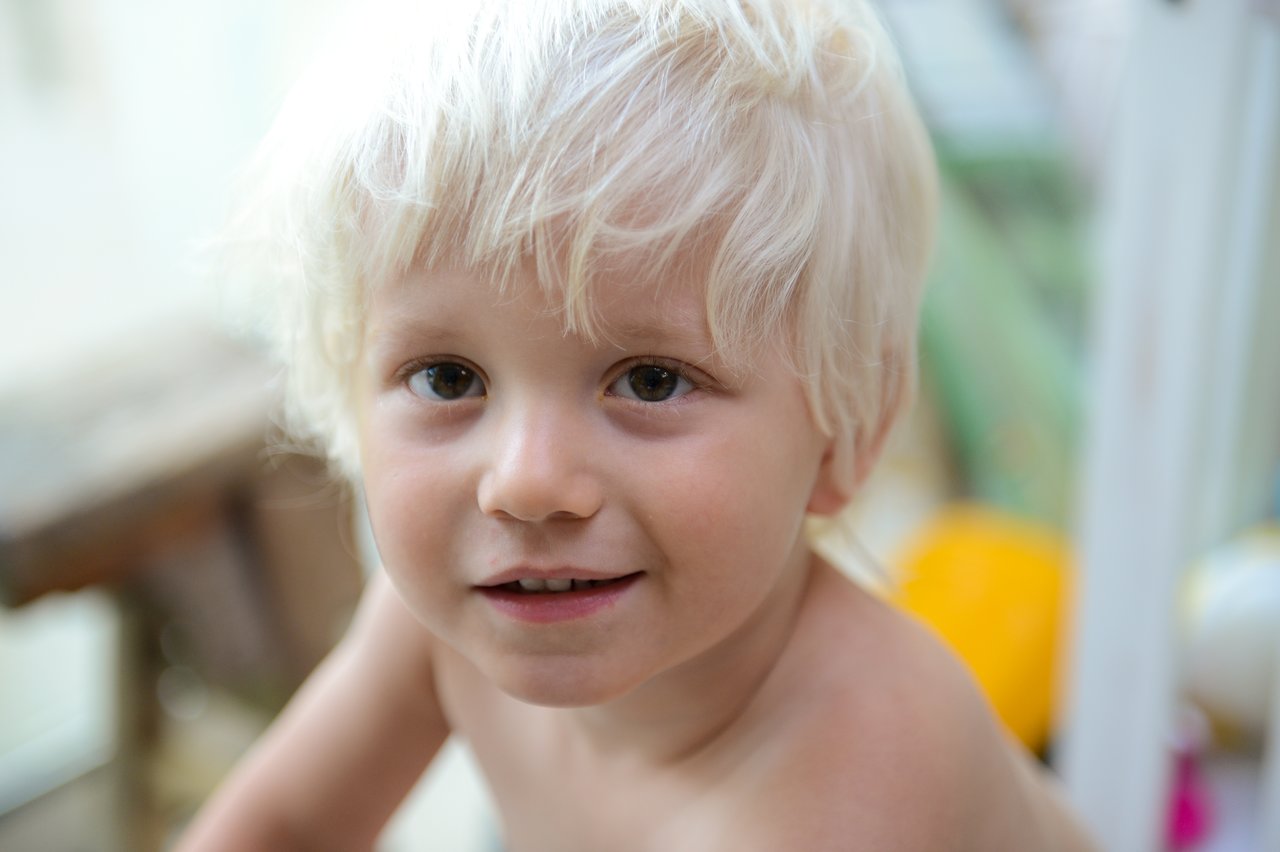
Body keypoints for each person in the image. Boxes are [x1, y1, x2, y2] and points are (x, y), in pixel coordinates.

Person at [179, 0, 1097, 849]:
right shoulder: (441, 621)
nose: (528, 480)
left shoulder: (870, 769)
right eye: (447, 376)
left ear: (847, 428)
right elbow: (282, 827)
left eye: (652, 380)